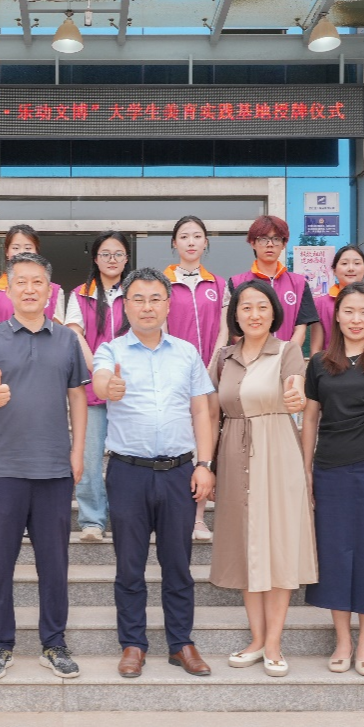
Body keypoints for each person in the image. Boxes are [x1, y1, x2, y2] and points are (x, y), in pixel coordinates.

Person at [0, 253, 89, 680]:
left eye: (38, 281)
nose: (30, 289)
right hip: (3, 469)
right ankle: (0, 645)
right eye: (22, 281)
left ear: (50, 290)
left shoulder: (67, 340)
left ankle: (54, 643)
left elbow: (78, 397)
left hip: (54, 469)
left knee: (54, 565)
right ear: (9, 288)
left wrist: (78, 451)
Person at [92, 267, 216, 679]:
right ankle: (133, 644)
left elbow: (201, 411)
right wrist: (108, 387)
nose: (147, 307)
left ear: (167, 305)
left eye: (155, 299)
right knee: (129, 565)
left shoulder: (187, 353)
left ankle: (181, 643)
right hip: (128, 473)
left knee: (178, 564)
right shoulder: (111, 350)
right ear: (125, 306)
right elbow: (101, 380)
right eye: (138, 299)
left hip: (179, 473)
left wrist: (205, 464)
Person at [208, 279, 315, 677]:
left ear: (274, 314)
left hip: (277, 451)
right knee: (246, 545)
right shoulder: (224, 358)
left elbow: (295, 387)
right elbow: (210, 410)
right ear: (235, 315)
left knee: (279, 544)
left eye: (262, 307)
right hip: (234, 452)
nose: (254, 314)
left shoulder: (287, 351)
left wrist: (295, 397)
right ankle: (256, 639)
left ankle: (273, 643)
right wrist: (207, 463)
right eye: (246, 307)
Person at [301, 281, 364, 678]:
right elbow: (311, 418)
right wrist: (306, 469)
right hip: (329, 468)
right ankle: (343, 640)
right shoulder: (319, 363)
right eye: (349, 311)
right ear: (337, 315)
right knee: (335, 554)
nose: (356, 319)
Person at [161, 216, 228, 541]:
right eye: (184, 236)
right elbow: (160, 328)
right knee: (177, 442)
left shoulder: (218, 284)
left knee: (206, 444)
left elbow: (225, 329)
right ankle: (173, 514)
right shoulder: (163, 282)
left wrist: (212, 365)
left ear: (206, 242)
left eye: (197, 236)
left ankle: (199, 518)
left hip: (210, 374)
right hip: (175, 375)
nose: (191, 242)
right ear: (174, 243)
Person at [66, 230, 128, 543]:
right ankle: (92, 519)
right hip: (91, 390)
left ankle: (128, 516)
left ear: (126, 258)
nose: (112, 259)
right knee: (89, 458)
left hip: (129, 392)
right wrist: (100, 371)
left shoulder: (136, 292)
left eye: (118, 253)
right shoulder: (80, 295)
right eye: (105, 254)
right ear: (95, 258)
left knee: (129, 458)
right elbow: (75, 334)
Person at [222, 215, 319, 349]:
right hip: (249, 358)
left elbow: (301, 328)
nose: (270, 244)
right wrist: (255, 356)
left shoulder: (299, 284)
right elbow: (234, 328)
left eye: (276, 239)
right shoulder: (236, 283)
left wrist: (285, 355)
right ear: (252, 243)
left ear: (284, 244)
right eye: (263, 239)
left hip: (287, 358)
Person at [0, 224, 65, 327]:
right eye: (15, 248)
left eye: (28, 248)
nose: (21, 252)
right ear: (7, 252)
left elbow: (58, 331)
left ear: (37, 251)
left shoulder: (55, 291)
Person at [310, 245, 364, 355]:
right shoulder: (321, 303)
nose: (351, 268)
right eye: (344, 263)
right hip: (331, 363)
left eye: (357, 263)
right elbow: (316, 348)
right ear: (334, 270)